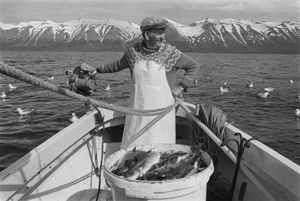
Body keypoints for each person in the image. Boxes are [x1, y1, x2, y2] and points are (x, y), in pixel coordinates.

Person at [82, 16, 200, 148]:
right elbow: (116, 65)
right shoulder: (133, 52)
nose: (163, 37)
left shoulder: (171, 53)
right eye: (159, 33)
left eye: (163, 32)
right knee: (134, 145)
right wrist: (96, 70)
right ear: (147, 35)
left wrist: (181, 87)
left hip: (162, 112)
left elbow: (193, 66)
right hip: (137, 109)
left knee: (160, 145)